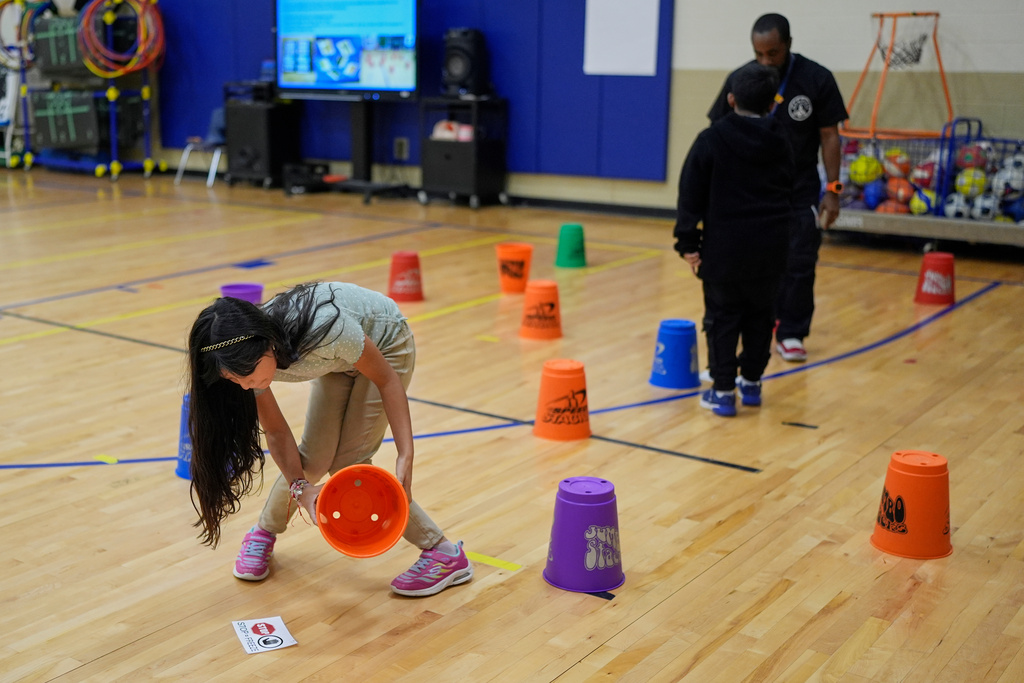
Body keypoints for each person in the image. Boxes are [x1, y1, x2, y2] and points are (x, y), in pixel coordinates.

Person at [186, 281, 472, 596]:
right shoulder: (243, 359)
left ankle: (443, 553)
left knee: (349, 460)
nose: (245, 385)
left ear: (268, 345)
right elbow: (277, 431)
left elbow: (387, 380)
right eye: (233, 379)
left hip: (385, 344)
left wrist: (405, 454)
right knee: (312, 459)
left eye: (249, 375)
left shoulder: (326, 329)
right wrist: (300, 488)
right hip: (339, 361)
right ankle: (264, 532)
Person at [708, 13, 848, 363]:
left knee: (800, 261)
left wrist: (833, 189)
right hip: (750, 192)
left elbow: (830, 136)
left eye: (773, 53)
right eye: (758, 54)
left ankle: (791, 332)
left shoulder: (816, 79)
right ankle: (755, 327)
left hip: (798, 188)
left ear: (788, 45)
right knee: (748, 264)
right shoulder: (741, 80)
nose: (765, 61)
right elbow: (716, 134)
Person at [674, 62, 796, 417]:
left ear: (730, 99)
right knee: (761, 316)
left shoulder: (711, 140)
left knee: (722, 319)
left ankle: (724, 391)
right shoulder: (782, 139)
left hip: (724, 251)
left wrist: (688, 244)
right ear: (773, 104)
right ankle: (753, 385)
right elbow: (791, 189)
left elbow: (689, 197)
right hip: (771, 249)